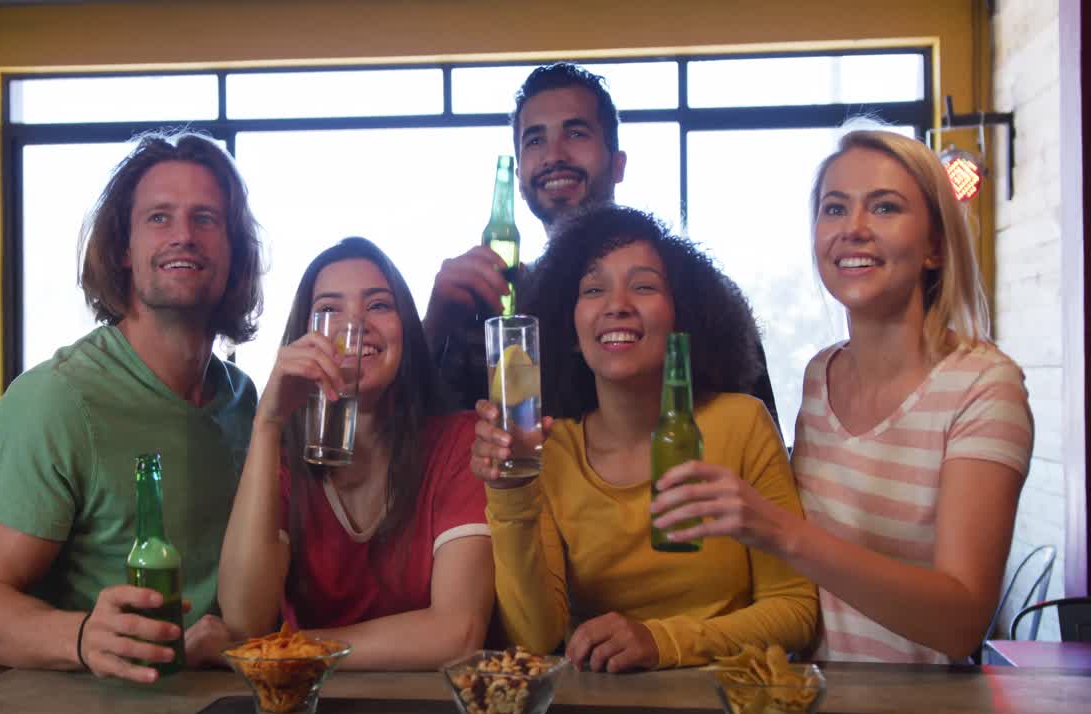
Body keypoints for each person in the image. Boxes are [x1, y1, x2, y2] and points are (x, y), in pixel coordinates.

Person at [651, 128, 1034, 663]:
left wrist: (778, 530)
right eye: (834, 209)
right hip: (810, 697)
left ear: (935, 246)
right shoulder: (819, 376)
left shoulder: (984, 387)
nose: (853, 229)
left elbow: (961, 622)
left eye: (884, 208)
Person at [0, 131, 263, 683]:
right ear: (123, 249)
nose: (183, 237)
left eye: (206, 219)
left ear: (234, 249)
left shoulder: (245, 403)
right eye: (158, 218)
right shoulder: (55, 399)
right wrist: (82, 637)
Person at [472, 204, 817, 673]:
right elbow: (536, 635)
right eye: (593, 289)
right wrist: (509, 492)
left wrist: (662, 642)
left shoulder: (742, 424)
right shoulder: (547, 449)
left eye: (644, 286)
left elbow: (796, 610)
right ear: (569, 327)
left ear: (682, 315)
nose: (617, 305)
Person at [425, 62, 780, 427]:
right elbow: (428, 434)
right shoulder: (491, 302)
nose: (554, 155)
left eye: (576, 134)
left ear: (618, 164)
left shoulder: (695, 288)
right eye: (535, 140)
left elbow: (754, 441)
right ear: (518, 177)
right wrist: (433, 325)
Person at [218, 237, 493, 671]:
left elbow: (457, 634)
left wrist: (290, 649)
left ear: (406, 326)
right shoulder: (283, 457)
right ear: (303, 334)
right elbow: (243, 620)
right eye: (329, 310)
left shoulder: (459, 442)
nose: (354, 326)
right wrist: (267, 424)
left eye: (379, 305)